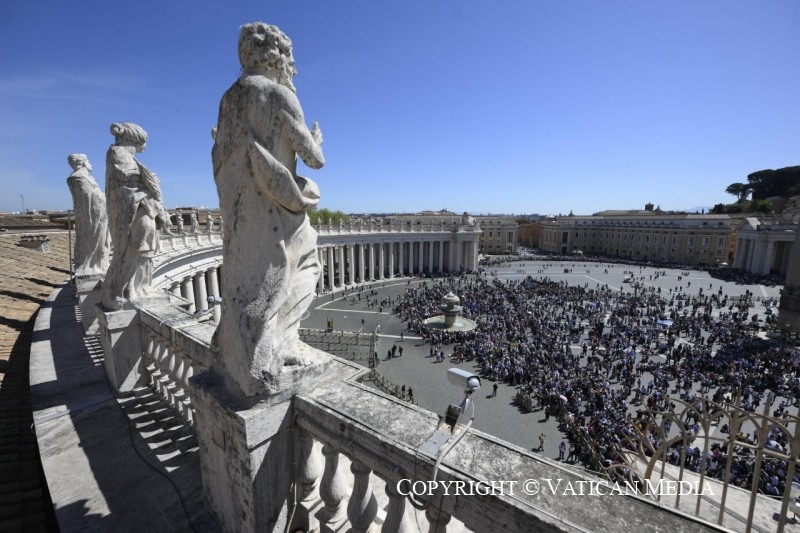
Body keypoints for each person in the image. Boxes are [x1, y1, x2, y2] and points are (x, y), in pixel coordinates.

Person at [211, 23, 326, 399]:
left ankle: (246, 345)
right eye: (289, 58)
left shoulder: (228, 100)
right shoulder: (279, 95)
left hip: (244, 215)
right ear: (277, 55)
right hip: (279, 212)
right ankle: (279, 341)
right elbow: (315, 159)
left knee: (251, 282)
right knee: (308, 263)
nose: (292, 66)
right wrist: (316, 139)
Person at [102, 122, 170, 309]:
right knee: (134, 248)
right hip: (134, 207)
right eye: (144, 141)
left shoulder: (124, 156)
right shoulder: (118, 154)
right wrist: (150, 181)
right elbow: (127, 182)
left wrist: (148, 181)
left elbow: (133, 180)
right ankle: (125, 289)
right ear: (134, 139)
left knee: (142, 247)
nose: (145, 147)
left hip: (141, 206)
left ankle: (137, 288)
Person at [66, 154, 110, 276]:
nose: (91, 163)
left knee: (100, 244)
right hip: (92, 219)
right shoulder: (78, 178)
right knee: (95, 243)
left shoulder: (84, 177)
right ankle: (91, 266)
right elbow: (90, 199)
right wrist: (107, 197)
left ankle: (98, 265)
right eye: (88, 160)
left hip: (96, 217)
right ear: (84, 162)